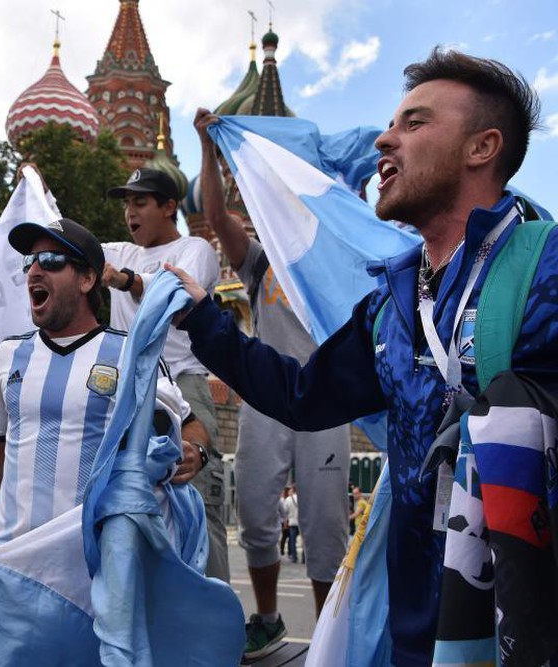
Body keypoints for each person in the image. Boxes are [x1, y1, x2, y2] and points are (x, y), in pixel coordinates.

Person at [169, 48, 557, 666]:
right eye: (392, 123)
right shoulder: (392, 301)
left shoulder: (546, 264)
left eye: (415, 123)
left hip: (524, 625)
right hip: (415, 629)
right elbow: (302, 396)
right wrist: (202, 320)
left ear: (481, 148)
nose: (384, 137)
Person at [0, 218, 209, 560]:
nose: (34, 272)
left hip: (93, 564)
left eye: (52, 262)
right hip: (12, 558)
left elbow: (191, 425)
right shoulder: (7, 355)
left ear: (88, 279)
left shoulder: (131, 356)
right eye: (30, 262)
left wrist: (196, 451)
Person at [192, 107, 352, 655]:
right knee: (257, 515)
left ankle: (328, 635)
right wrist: (208, 148)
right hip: (267, 399)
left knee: (326, 527)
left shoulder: (336, 264)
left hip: (328, 402)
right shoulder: (262, 265)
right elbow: (214, 215)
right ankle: (267, 619)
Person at [101, 167, 231, 582]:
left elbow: (172, 294)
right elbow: (67, 247)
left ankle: (217, 635)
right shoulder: (120, 251)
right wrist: (38, 193)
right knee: (127, 504)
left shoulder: (196, 249)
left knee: (195, 497)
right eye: (126, 203)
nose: (129, 212)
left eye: (139, 202)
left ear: (170, 207)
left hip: (184, 386)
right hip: (129, 392)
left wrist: (124, 280)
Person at [283, 484, 301, 563]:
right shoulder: (302, 499)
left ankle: (294, 557)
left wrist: (285, 523)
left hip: (292, 522)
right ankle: (304, 558)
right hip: (301, 523)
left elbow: (284, 512)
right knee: (304, 542)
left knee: (292, 541)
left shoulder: (288, 499)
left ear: (292, 490)